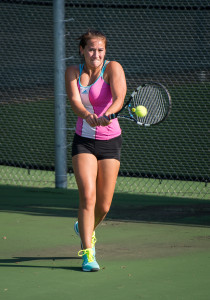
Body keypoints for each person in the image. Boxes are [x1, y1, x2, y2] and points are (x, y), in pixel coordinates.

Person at [65, 29, 127, 272]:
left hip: (111, 142)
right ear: (82, 50)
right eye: (91, 49)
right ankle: (87, 253)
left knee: (103, 206)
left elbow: (120, 97)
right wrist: (88, 116)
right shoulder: (73, 71)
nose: (96, 54)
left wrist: (109, 114)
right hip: (84, 142)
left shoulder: (113, 68)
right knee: (88, 196)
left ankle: (83, 226)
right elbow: (74, 101)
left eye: (100, 50)